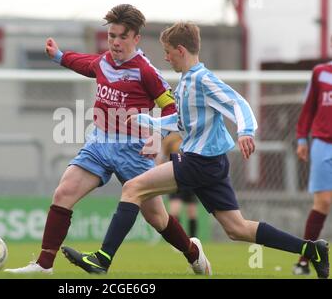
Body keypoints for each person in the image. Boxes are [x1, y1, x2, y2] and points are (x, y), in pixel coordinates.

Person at [61, 22, 330, 279]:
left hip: (197, 161)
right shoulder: (187, 82)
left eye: (167, 52)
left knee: (133, 188)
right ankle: (310, 249)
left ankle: (102, 259)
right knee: (237, 229)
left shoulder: (201, 80)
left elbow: (238, 103)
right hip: (211, 163)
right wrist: (149, 121)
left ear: (180, 50)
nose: (166, 58)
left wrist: (246, 131)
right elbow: (182, 123)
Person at [5, 5, 209, 275]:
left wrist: (158, 136)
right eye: (111, 36)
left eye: (122, 36)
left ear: (136, 38)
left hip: (134, 151)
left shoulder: (145, 71)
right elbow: (86, 64)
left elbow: (171, 106)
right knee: (63, 193)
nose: (115, 42)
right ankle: (44, 265)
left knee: (157, 218)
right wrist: (59, 56)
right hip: (99, 144)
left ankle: (193, 254)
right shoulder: (103, 62)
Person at [292, 39, 332, 276]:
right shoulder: (320, 73)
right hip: (323, 144)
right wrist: (300, 139)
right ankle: (304, 260)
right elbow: (308, 108)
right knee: (323, 202)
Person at [158, 132, 198, 238]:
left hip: (190, 179)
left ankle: (193, 240)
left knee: (192, 211)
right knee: (175, 209)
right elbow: (163, 157)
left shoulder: (190, 136)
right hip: (175, 179)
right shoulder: (170, 139)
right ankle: (178, 239)